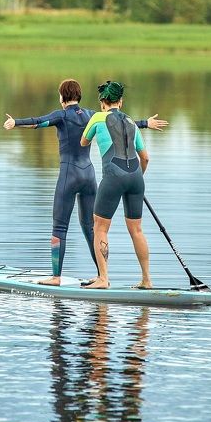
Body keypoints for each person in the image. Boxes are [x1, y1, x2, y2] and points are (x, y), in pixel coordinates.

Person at [3, 79, 167, 286]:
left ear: (62, 97)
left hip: (69, 175)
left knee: (60, 227)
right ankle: (110, 275)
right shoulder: (93, 115)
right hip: (90, 176)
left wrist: (15, 122)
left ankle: (57, 277)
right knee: (94, 227)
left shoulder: (64, 115)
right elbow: (122, 123)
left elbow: (38, 121)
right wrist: (146, 123)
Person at [79, 80, 151, 290]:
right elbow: (145, 158)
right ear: (121, 101)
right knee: (137, 230)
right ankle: (147, 280)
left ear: (102, 101)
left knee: (100, 228)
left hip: (113, 177)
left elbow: (84, 142)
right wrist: (137, 179)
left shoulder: (97, 118)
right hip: (136, 177)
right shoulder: (131, 121)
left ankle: (103, 278)